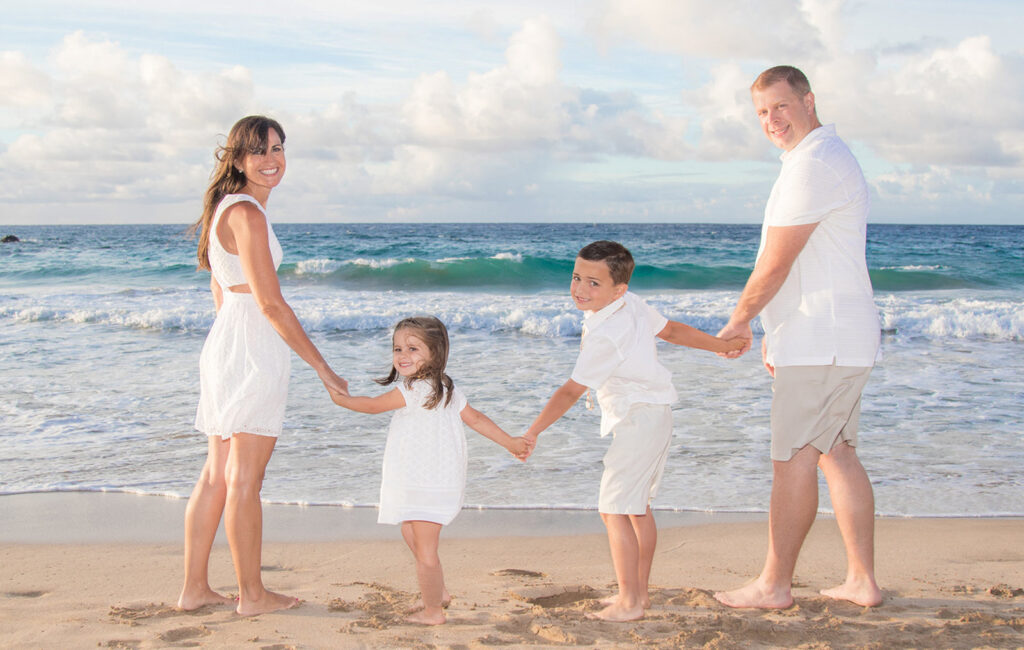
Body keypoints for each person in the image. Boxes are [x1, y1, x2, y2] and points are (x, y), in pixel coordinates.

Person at [713, 65, 883, 609]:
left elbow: (776, 262)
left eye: (781, 106)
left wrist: (741, 320)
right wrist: (774, 330)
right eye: (762, 112)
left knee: (793, 459)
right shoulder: (818, 159)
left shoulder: (814, 165)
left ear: (808, 101)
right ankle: (861, 581)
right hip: (832, 336)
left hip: (822, 340)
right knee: (836, 453)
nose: (771, 119)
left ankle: (774, 585)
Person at [521, 240, 747, 622]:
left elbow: (571, 391)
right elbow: (671, 331)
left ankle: (629, 603)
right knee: (636, 508)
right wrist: (719, 345)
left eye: (593, 283)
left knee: (613, 509)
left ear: (618, 289)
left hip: (638, 421)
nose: (580, 289)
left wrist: (533, 432)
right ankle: (638, 594)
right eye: (576, 277)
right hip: (654, 415)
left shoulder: (608, 332)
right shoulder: (631, 304)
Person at [178, 115, 348, 616]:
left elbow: (219, 286)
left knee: (217, 476)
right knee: (244, 480)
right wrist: (322, 368)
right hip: (251, 346)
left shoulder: (225, 208)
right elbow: (271, 304)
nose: (272, 159)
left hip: (228, 340)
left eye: (278, 148)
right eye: (259, 150)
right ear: (237, 159)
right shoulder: (247, 214)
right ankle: (252, 596)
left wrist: (231, 340)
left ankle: (194, 590)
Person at [329, 316, 531, 625]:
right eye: (398, 348)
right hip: (428, 477)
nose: (403, 355)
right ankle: (439, 593)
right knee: (409, 530)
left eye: (413, 349)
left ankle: (433, 611)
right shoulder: (445, 388)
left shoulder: (415, 390)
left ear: (434, 353)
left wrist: (340, 399)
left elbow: (371, 406)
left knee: (425, 551)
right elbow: (476, 419)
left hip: (426, 481)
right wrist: (510, 442)